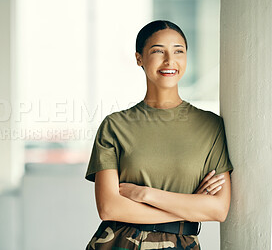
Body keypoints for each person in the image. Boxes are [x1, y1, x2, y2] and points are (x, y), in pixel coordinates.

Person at [84, 20, 234, 250]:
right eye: (157, 51)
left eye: (178, 51)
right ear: (139, 58)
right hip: (119, 243)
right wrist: (189, 206)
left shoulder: (210, 126)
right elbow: (109, 208)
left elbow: (218, 209)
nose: (169, 61)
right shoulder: (114, 125)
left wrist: (143, 194)